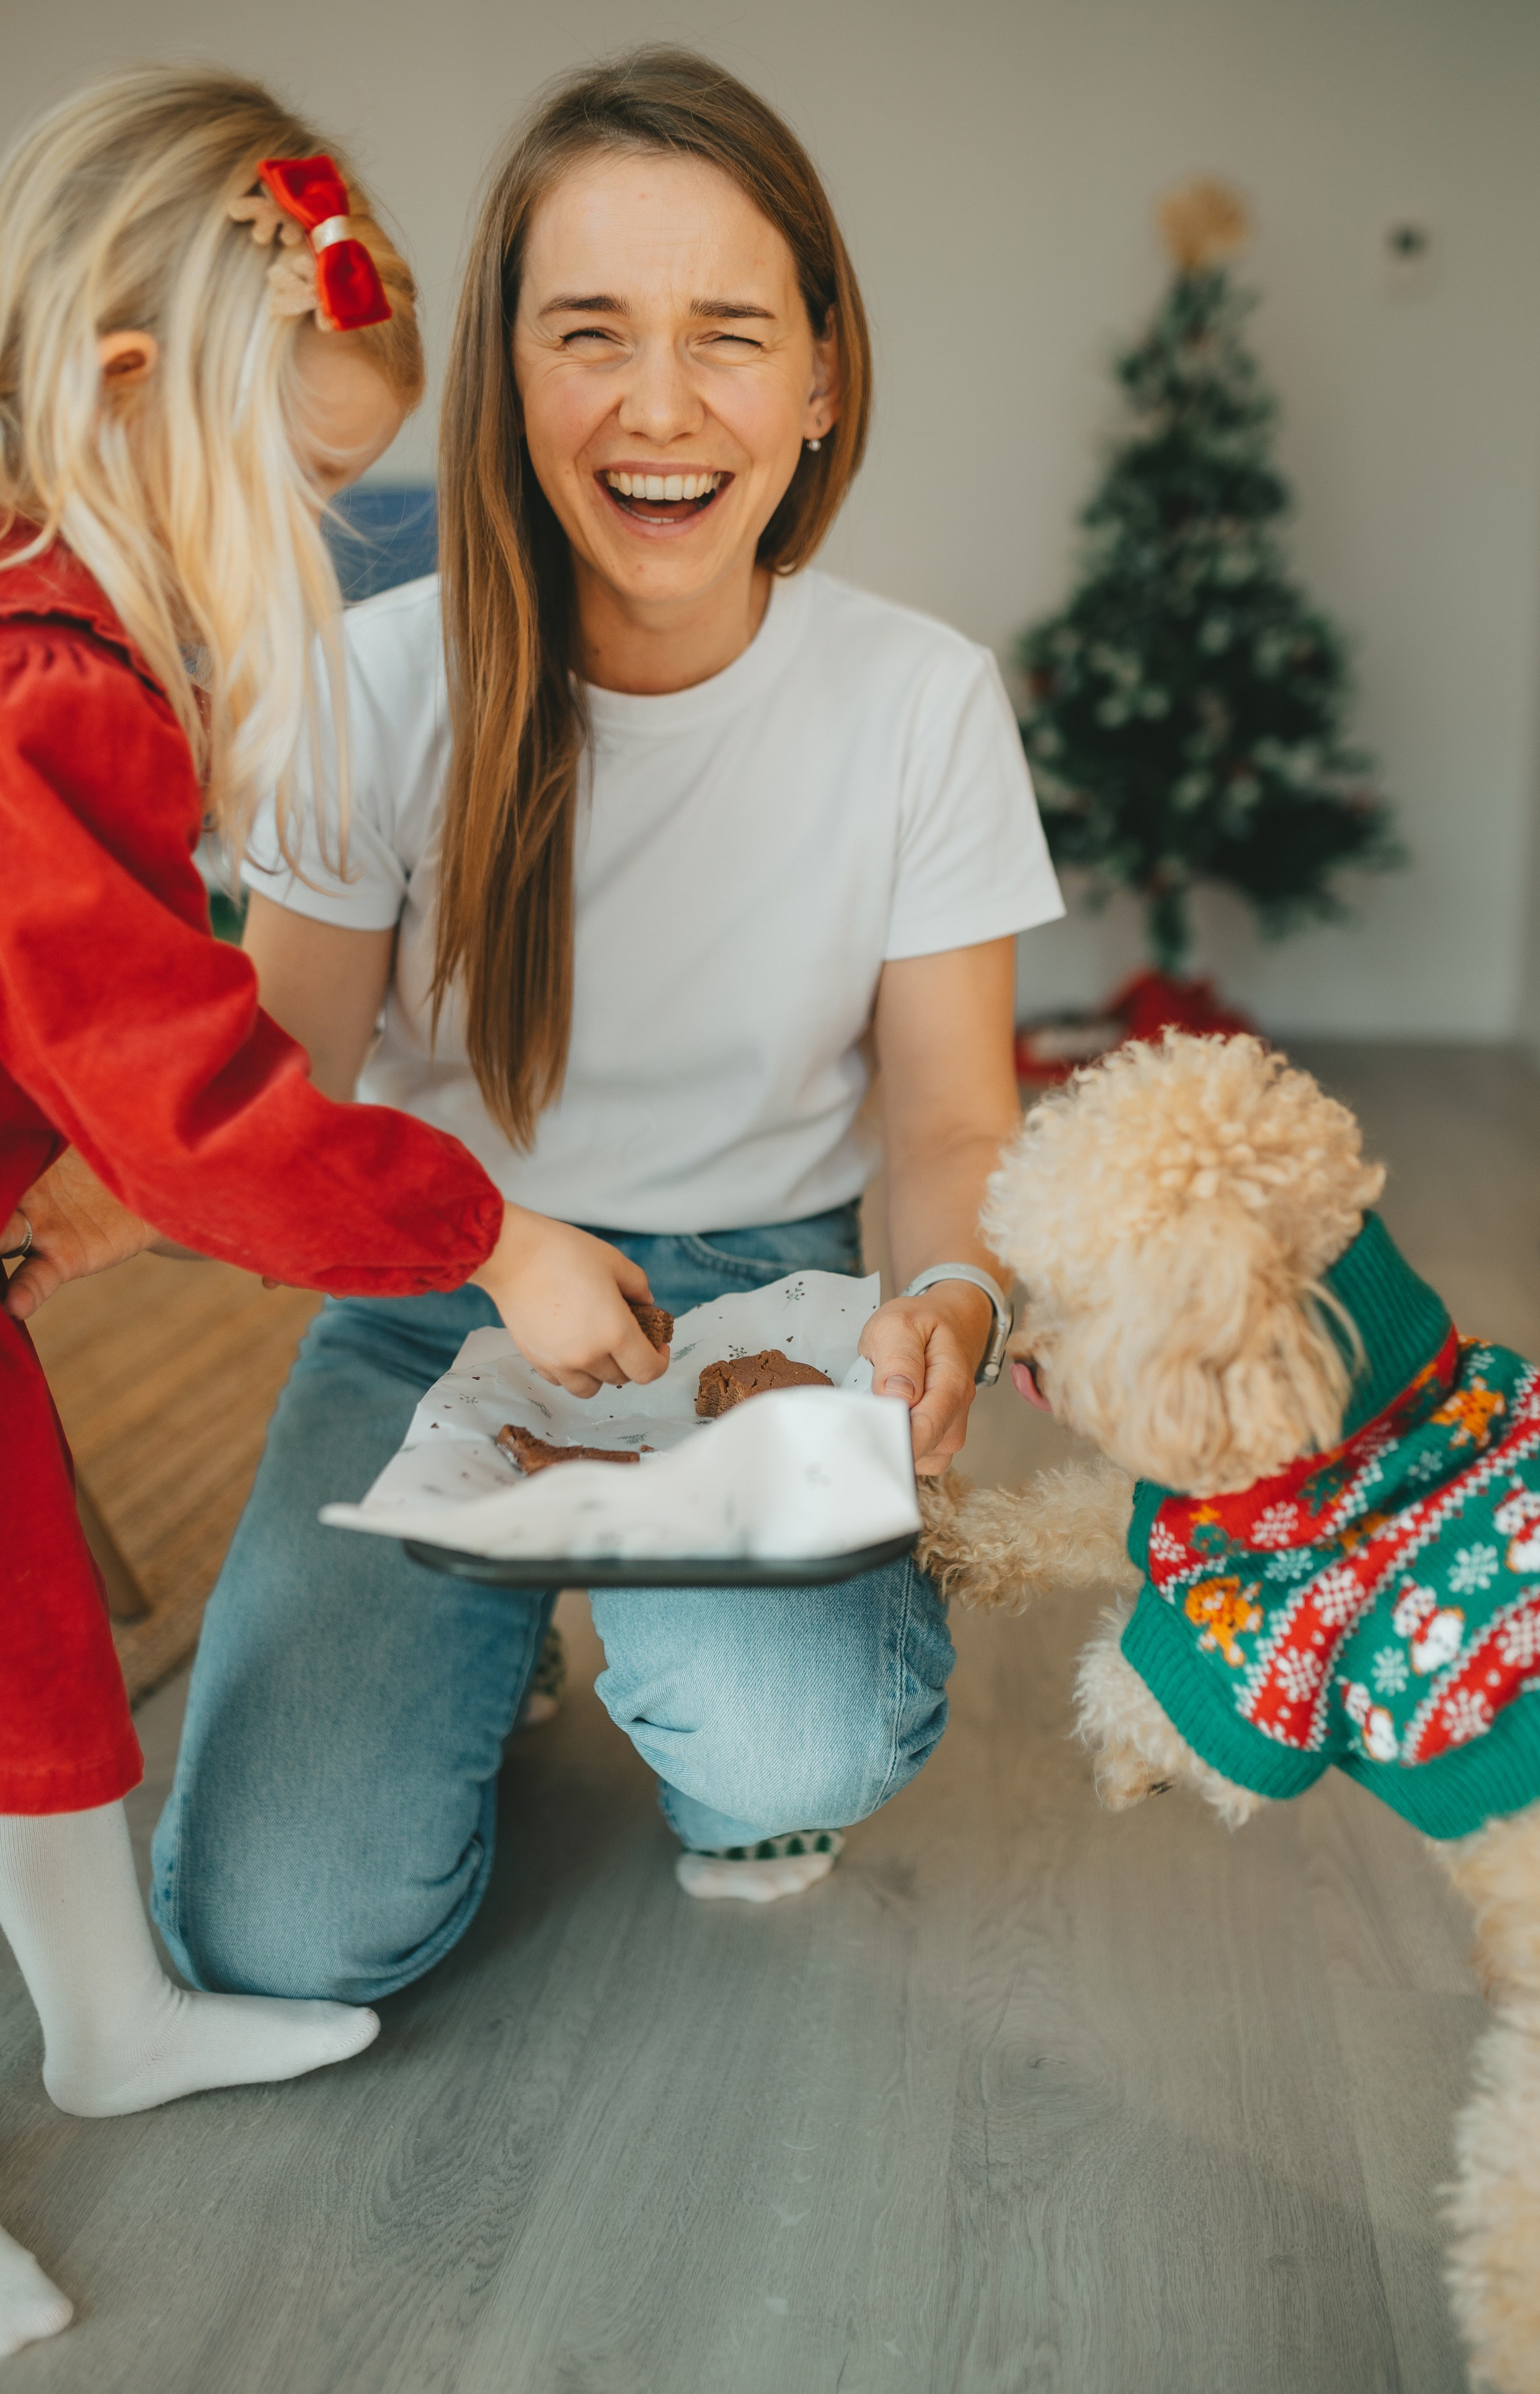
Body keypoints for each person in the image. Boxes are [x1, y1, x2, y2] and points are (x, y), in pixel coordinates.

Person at [33, 47, 1062, 1993]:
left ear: (822, 377)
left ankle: (647, 1664)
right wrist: (97, 1194)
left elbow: (948, 1121)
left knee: (791, 1754)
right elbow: (278, 1082)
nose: (660, 407)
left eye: (729, 335)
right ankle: (490, 1637)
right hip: (432, 1293)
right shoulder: (372, 681)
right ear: (504, 376)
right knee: (277, 1935)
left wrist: (954, 1304)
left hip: (766, 1293)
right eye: (589, 333)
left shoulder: (922, 701)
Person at [0, 67, 664, 2359]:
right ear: (127, 393)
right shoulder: (40, 688)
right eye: (294, 481)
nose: (308, 537)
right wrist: (496, 1237)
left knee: (32, 1656)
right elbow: (199, 1101)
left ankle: (110, 2019)